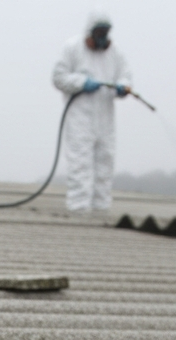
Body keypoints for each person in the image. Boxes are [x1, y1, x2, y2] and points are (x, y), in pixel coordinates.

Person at [52, 12, 133, 214]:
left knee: (105, 164)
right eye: (98, 33)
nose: (102, 38)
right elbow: (58, 78)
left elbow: (126, 76)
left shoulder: (115, 53)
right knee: (80, 164)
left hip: (105, 119)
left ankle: (100, 209)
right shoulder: (72, 48)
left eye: (105, 33)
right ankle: (78, 209)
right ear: (89, 32)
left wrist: (123, 87)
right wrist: (81, 82)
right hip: (80, 118)